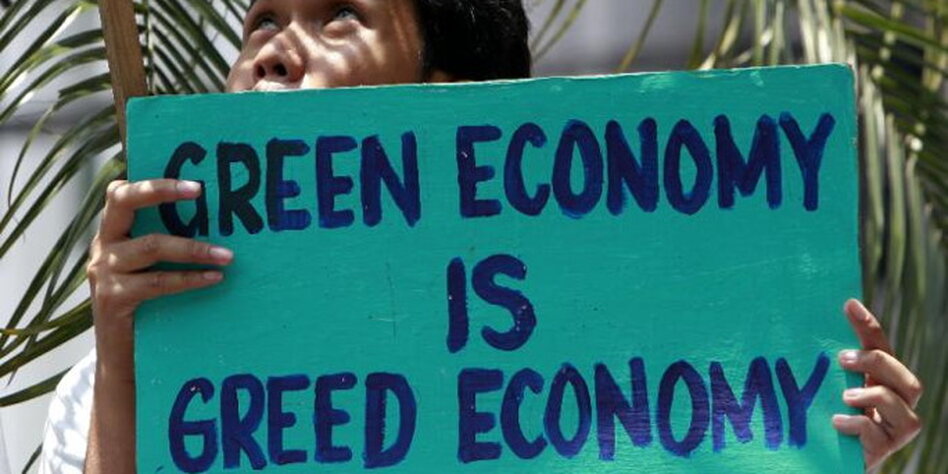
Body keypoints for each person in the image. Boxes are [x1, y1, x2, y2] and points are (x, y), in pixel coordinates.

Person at [38, 1, 921, 472]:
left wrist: (816, 451)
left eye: (339, 14)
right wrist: (124, 366)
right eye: (262, 20)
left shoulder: (614, 380)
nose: (274, 50)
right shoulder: (116, 386)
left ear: (449, 95)